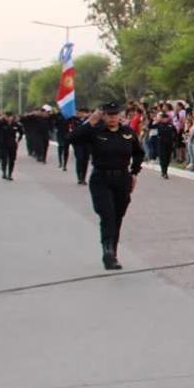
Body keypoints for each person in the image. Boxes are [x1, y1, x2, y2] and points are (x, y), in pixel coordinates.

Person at [68, 102, 145, 271]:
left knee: (117, 217)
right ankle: (107, 251)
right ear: (103, 115)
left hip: (122, 179)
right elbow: (71, 138)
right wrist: (90, 121)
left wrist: (134, 173)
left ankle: (113, 252)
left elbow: (139, 153)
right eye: (108, 114)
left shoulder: (127, 133)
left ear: (119, 115)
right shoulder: (95, 132)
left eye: (115, 114)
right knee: (107, 214)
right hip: (101, 179)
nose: (112, 118)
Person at [0, 111, 24, 180]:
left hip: (12, 144)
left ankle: (10, 174)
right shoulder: (0, 123)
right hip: (3, 144)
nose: (8, 118)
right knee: (4, 159)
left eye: (10, 116)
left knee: (12, 160)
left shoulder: (16, 124)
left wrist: (18, 140)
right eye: (7, 116)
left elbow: (21, 132)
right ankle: (4, 173)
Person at [153, 111, 177, 178]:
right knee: (162, 158)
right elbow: (150, 126)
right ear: (162, 118)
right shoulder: (159, 124)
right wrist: (154, 120)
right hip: (161, 144)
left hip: (169, 144)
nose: (165, 119)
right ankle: (164, 172)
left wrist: (175, 141)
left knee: (168, 158)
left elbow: (175, 133)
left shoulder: (171, 125)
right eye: (164, 118)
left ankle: (165, 170)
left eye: (166, 118)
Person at [72, 108, 92, 185]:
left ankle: (83, 177)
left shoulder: (89, 120)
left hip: (87, 143)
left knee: (85, 160)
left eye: (82, 112)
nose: (80, 114)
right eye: (79, 112)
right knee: (79, 159)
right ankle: (79, 177)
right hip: (78, 143)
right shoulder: (74, 120)